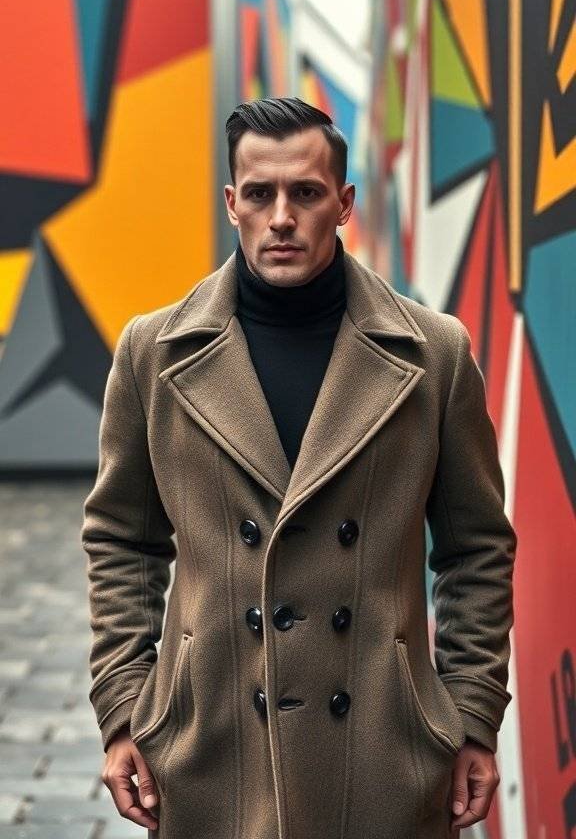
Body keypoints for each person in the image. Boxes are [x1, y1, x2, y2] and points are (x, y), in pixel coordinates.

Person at [81, 97, 517, 839]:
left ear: (343, 204)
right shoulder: (155, 354)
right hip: (211, 751)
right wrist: (125, 705)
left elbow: (477, 549)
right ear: (232, 203)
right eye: (260, 193)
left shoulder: (432, 355)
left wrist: (471, 711)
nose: (281, 216)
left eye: (306, 193)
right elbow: (122, 541)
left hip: (385, 754)